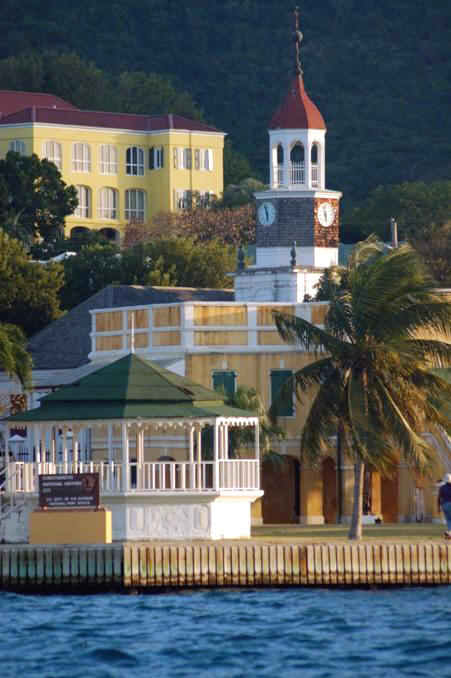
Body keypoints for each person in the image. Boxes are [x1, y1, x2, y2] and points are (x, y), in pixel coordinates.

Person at [437, 474, 451, 538]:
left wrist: (438, 507)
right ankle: (449, 533)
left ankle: (449, 533)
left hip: (444, 505)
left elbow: (439, 498)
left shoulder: (442, 488)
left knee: (448, 519)